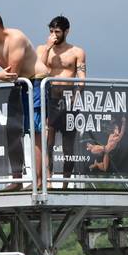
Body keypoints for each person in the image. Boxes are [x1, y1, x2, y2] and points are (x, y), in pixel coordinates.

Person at [0, 11, 38, 190]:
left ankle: (41, 179)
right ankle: (17, 178)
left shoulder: (16, 38)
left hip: (34, 82)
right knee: (11, 131)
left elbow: (13, 73)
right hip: (17, 85)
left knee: (36, 132)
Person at [35, 16, 87, 188]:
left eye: (57, 32)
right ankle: (48, 180)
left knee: (68, 144)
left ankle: (65, 182)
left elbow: (81, 77)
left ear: (66, 31)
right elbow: (38, 70)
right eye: (51, 31)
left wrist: (77, 92)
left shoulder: (76, 51)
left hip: (69, 100)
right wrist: (48, 48)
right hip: (49, 98)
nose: (54, 35)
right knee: (47, 140)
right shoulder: (43, 49)